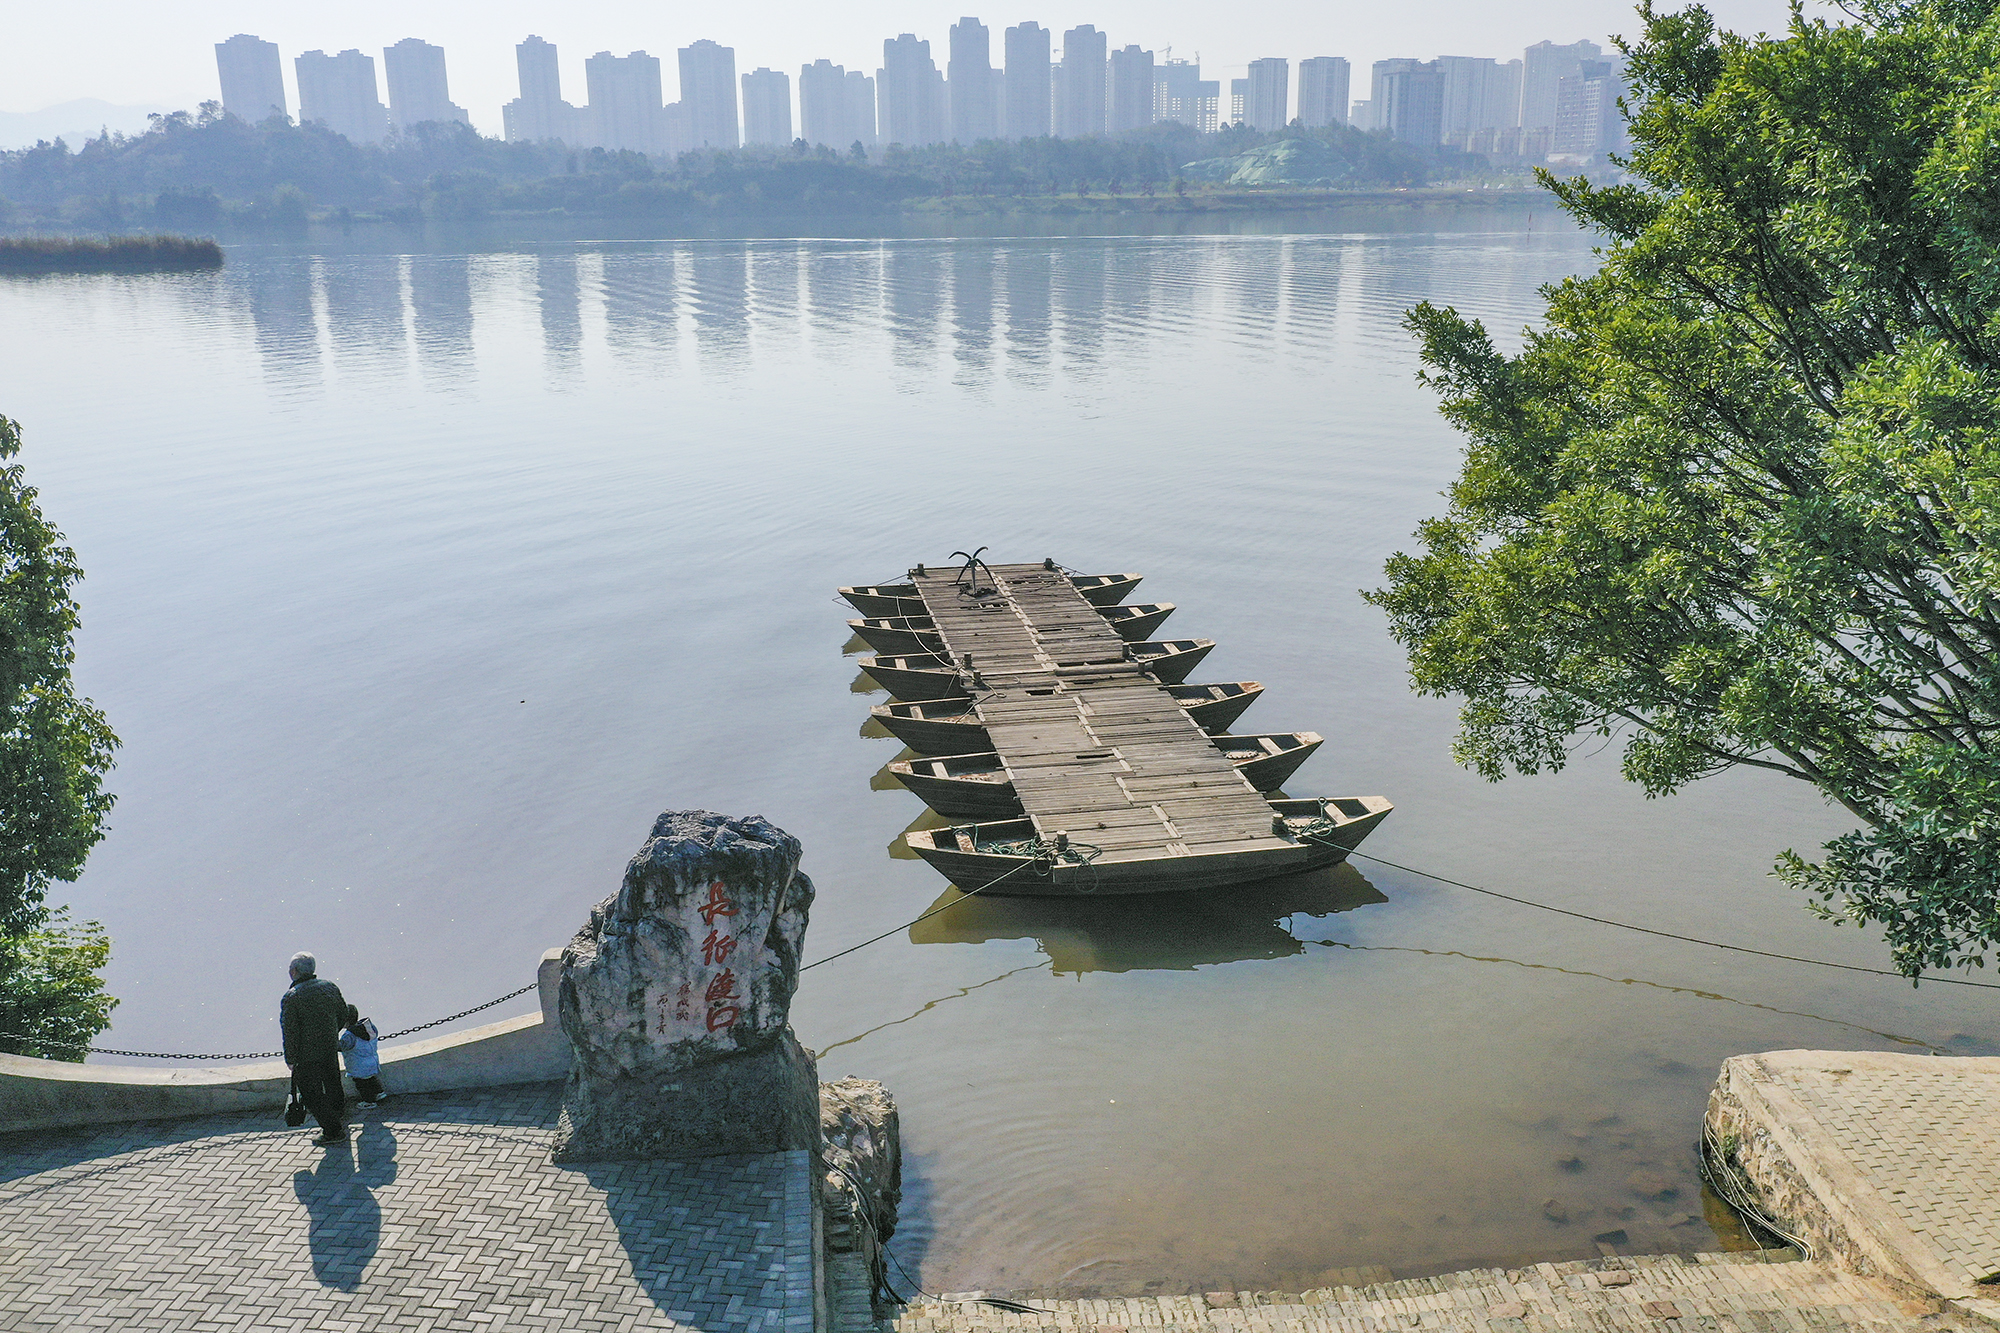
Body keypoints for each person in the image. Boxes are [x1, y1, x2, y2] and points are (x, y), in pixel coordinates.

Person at [280, 951, 349, 1146]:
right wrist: (330, 1034)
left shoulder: (291, 998)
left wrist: (291, 1059)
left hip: (306, 1056)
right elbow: (343, 1014)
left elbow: (290, 1032)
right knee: (333, 1081)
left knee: (312, 1095)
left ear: (294, 972)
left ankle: (333, 1131)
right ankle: (337, 1112)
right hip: (329, 1048)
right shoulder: (329, 987)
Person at [339, 1005, 386, 1109]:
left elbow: (342, 1046)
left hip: (358, 1065)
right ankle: (380, 1093)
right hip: (372, 1061)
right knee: (371, 1079)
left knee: (362, 1085)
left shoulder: (349, 1035)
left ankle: (369, 1101)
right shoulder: (369, 1028)